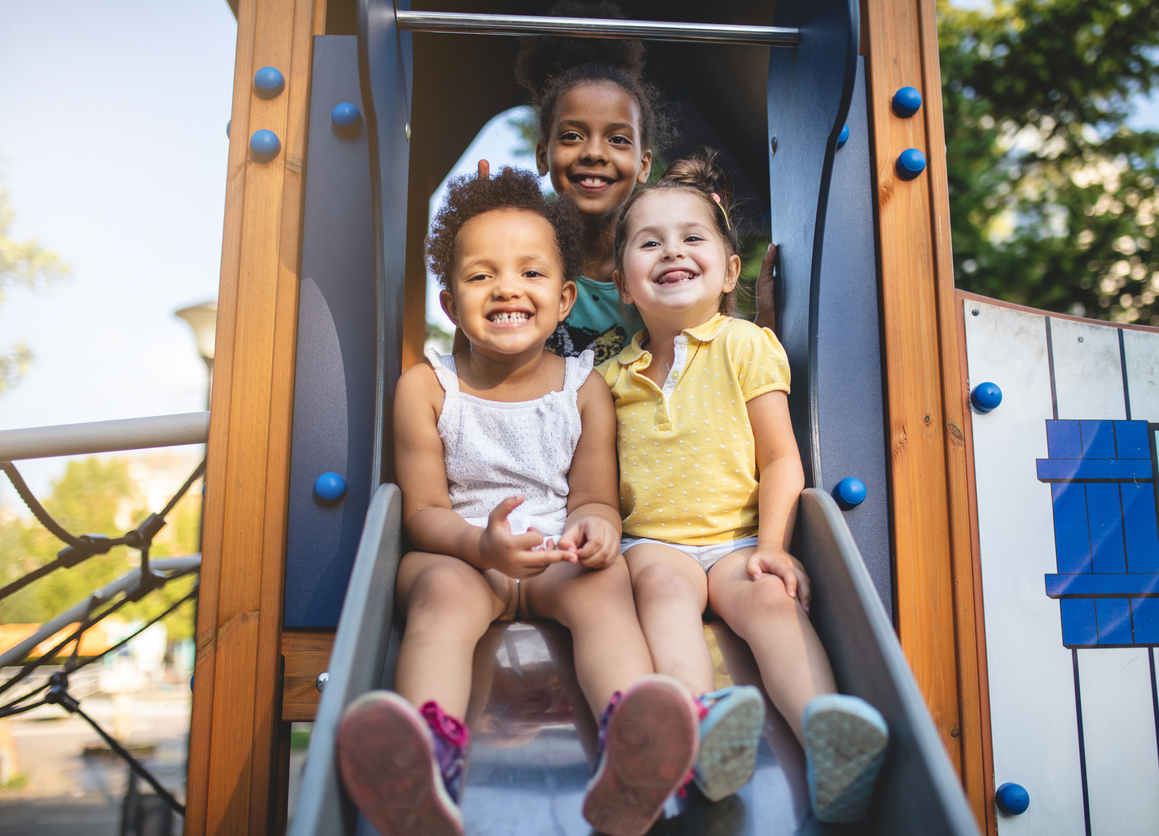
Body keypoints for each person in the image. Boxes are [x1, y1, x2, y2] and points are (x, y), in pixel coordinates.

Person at [335, 167, 698, 836]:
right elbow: (423, 513)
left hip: (555, 551)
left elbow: (595, 499)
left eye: (530, 273)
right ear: (451, 305)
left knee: (606, 585)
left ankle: (633, 746)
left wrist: (595, 529)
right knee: (438, 595)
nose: (506, 287)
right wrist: (481, 546)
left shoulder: (584, 388)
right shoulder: (427, 388)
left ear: (563, 299)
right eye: (482, 276)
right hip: (463, 554)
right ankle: (424, 761)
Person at [599, 153, 889, 823]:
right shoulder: (610, 377)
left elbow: (782, 459)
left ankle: (826, 736)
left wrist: (774, 546)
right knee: (662, 591)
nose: (673, 251)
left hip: (737, 540)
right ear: (623, 285)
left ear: (730, 271)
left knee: (771, 600)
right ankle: (700, 722)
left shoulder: (746, 346)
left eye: (691, 237)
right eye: (650, 243)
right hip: (655, 542)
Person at [498, 1, 779, 366]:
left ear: (644, 164)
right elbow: (470, 363)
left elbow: (716, 365)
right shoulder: (519, 257)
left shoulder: (664, 264)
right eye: (571, 136)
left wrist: (766, 321)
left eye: (618, 139)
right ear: (542, 155)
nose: (594, 153)